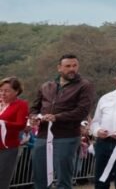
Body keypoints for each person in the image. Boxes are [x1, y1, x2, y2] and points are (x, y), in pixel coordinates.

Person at [29, 54, 95, 189]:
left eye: (75, 65)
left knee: (63, 179)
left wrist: (57, 117)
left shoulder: (84, 86)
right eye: (68, 66)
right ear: (59, 68)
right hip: (42, 136)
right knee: (40, 176)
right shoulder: (46, 86)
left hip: (67, 137)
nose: (72, 69)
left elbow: (82, 111)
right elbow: (34, 108)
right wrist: (34, 117)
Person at [0, 77, 29, 189]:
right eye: (1, 90)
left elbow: (21, 125)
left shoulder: (21, 104)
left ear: (16, 91)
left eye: (7, 91)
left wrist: (3, 123)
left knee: (2, 178)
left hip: (7, 148)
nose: (3, 93)